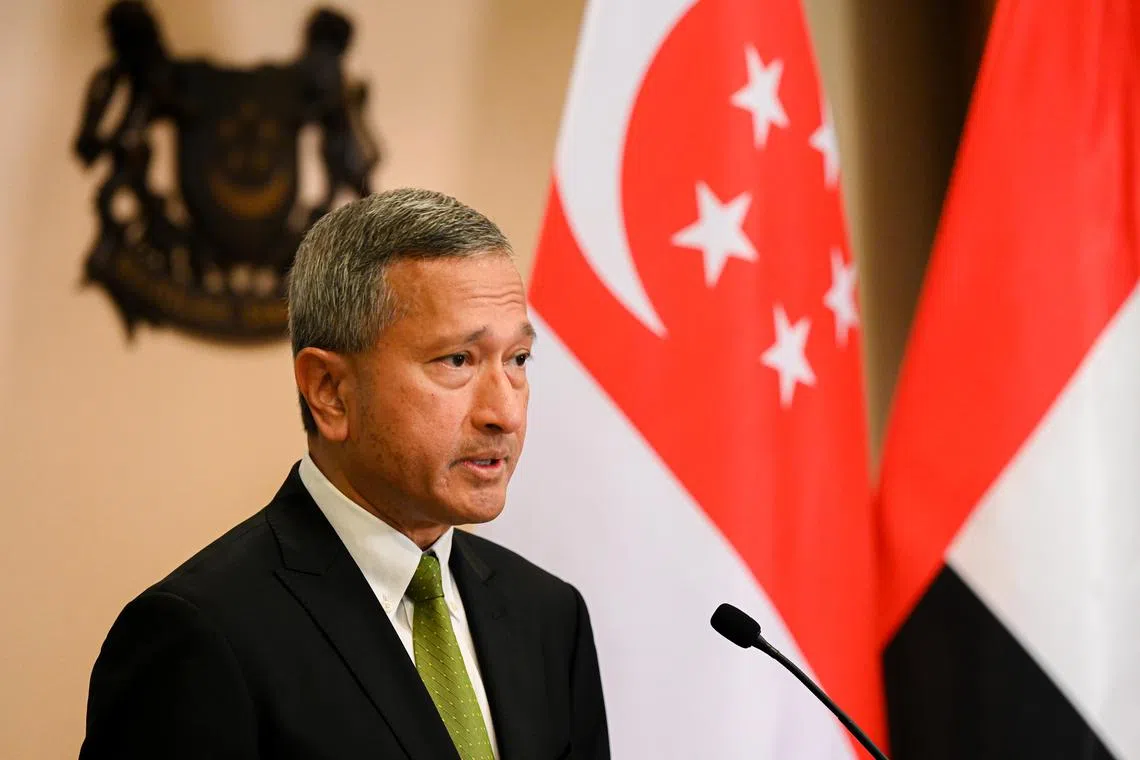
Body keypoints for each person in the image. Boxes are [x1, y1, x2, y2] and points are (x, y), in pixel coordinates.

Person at [78, 188, 611, 759]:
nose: (504, 413)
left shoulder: (551, 617)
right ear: (329, 391)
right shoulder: (200, 635)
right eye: (457, 360)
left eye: (518, 361)